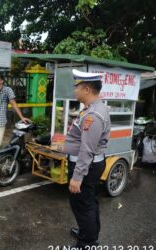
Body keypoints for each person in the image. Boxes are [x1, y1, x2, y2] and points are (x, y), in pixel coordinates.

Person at [63, 69, 111, 249]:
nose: (74, 90)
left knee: (83, 204)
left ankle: (88, 242)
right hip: (90, 164)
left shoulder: (93, 115)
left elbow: (87, 149)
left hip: (86, 166)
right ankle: (87, 232)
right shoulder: (94, 108)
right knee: (88, 201)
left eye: (77, 87)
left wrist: (77, 176)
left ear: (87, 89)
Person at [0, 72, 31, 168]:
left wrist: (22, 117)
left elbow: (13, 104)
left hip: (0, 122)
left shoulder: (7, 90)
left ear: (2, 81)